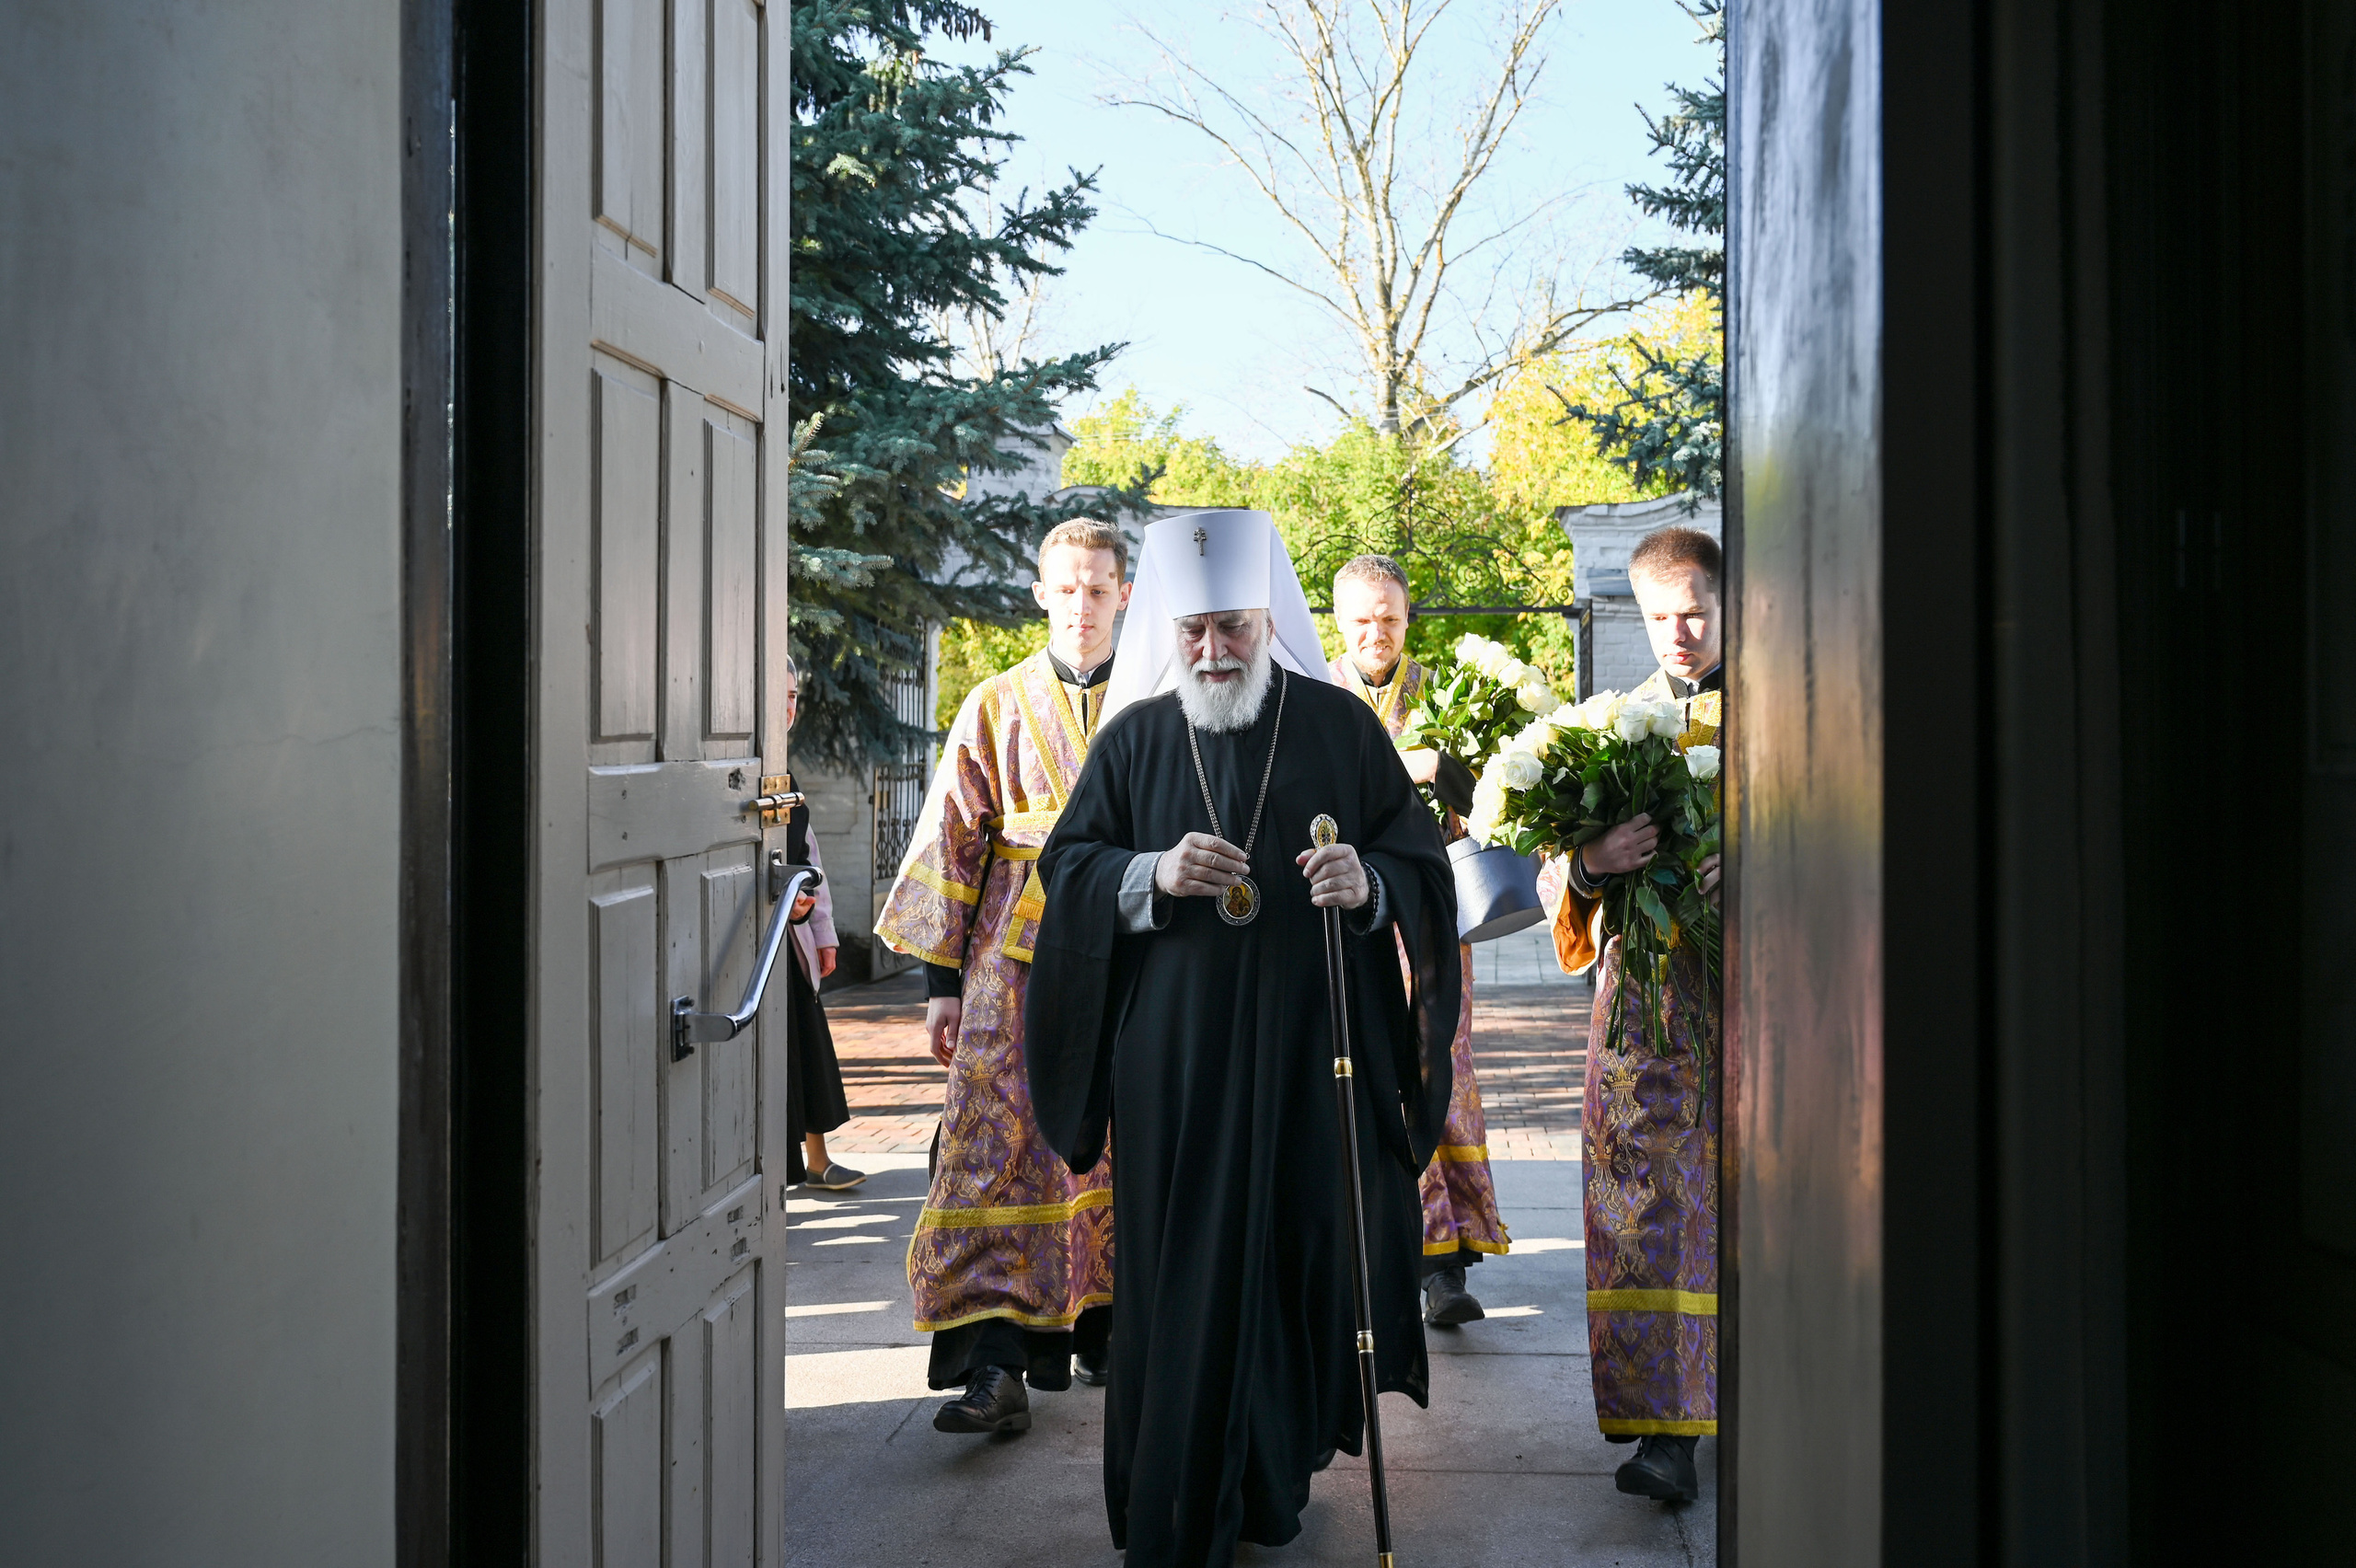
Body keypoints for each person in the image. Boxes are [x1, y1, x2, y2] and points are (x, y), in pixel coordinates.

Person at [1026, 510, 1460, 1568]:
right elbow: (1068, 867)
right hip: (1174, 1068)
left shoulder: (1340, 730)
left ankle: (1272, 1475)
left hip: (1316, 1054)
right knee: (1184, 1272)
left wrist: (1368, 887)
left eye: (1233, 629)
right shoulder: (1133, 738)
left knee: (1293, 1259)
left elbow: (1419, 866)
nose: (1214, 652)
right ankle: (1173, 1498)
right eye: (1195, 633)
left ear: (1270, 620)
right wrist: (1148, 875)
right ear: (1167, 631)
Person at [872, 519, 1131, 1435]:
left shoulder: (1154, 704)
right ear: (1040, 594)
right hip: (1004, 968)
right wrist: (940, 982)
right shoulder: (993, 702)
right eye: (1066, 588)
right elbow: (951, 836)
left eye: (1098, 589)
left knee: (1114, 1147)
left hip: (1127, 955)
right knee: (989, 1152)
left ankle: (1108, 1332)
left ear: (1125, 595)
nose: (1082, 606)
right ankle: (993, 1367)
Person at [1550, 525, 1725, 1504]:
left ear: (1726, 602)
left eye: (1694, 610)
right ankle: (1664, 1435)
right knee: (1647, 1212)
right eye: (1659, 615)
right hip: (1648, 1013)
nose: (1679, 632)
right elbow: (1555, 881)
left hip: (1759, 1006)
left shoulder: (1787, 711)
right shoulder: (1611, 726)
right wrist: (1589, 860)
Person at [1327, 554, 1510, 1326]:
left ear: (1408, 619)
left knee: (1440, 1065)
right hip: (1340, 919)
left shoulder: (1446, 697)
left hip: (1428, 921)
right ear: (1338, 620)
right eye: (1362, 619)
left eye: (1390, 618)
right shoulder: (1309, 695)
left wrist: (1453, 770)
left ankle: (1445, 1263)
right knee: (1351, 1069)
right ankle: (1361, 1249)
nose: (1377, 632)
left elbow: (1500, 803)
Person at [780, 655, 865, 1192]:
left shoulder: (784, 773)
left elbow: (811, 862)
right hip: (761, 946)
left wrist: (823, 931)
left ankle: (817, 1159)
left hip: (793, 942)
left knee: (810, 1048)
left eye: (792, 695)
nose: (788, 706)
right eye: (777, 695)